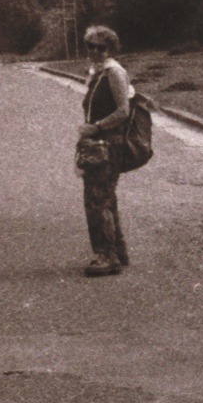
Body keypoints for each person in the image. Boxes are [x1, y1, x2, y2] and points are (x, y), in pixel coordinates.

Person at [77, 24, 134, 276]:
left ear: (110, 49)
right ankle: (117, 251)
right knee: (105, 197)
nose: (94, 51)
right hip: (98, 143)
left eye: (100, 47)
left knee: (96, 200)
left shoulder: (114, 72)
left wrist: (97, 127)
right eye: (90, 46)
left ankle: (106, 256)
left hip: (108, 144)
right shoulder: (98, 73)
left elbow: (123, 111)